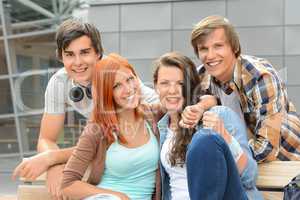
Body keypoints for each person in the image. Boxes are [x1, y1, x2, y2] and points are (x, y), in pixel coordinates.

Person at [12, 18, 157, 199]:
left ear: (98, 53)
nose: (78, 62)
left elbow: (158, 115)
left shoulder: (119, 76)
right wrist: (56, 166)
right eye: (69, 54)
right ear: (61, 57)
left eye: (85, 52)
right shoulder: (59, 82)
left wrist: (53, 157)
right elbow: (46, 138)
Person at [190, 15, 300, 162]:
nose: (210, 55)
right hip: (236, 168)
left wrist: (222, 160)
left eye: (218, 46)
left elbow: (266, 150)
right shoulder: (200, 77)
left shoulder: (259, 76)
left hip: (284, 169)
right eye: (203, 48)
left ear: (234, 47)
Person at [153, 52, 262, 199]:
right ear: (155, 87)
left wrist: (225, 136)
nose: (172, 90)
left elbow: (250, 176)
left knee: (205, 139)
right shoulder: (161, 127)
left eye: (180, 84)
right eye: (165, 83)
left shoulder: (219, 115)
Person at [61, 53, 161, 200]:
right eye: (117, 86)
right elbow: (67, 185)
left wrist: (206, 103)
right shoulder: (97, 128)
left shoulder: (152, 115)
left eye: (130, 79)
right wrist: (118, 196)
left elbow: (183, 105)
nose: (128, 89)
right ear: (107, 93)